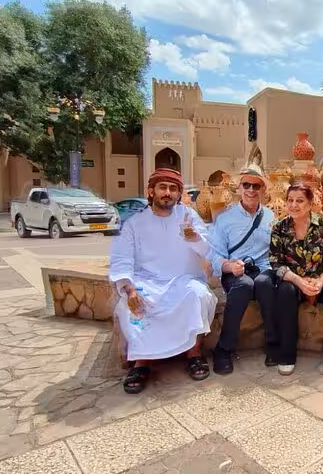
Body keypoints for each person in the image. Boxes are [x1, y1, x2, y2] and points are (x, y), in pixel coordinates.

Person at [110, 168, 216, 394]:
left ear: (179, 194)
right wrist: (129, 289)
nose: (168, 193)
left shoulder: (188, 216)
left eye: (173, 188)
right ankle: (141, 363)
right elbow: (121, 259)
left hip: (182, 281)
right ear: (151, 191)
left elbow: (208, 250)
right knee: (132, 305)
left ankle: (194, 354)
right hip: (146, 282)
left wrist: (193, 237)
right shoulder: (134, 224)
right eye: (163, 187)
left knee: (198, 295)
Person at [269, 183, 323, 377]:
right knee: (285, 292)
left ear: (311, 203)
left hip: (320, 280)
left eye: (300, 201)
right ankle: (286, 355)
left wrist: (321, 280)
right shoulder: (279, 228)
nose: (294, 205)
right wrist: (298, 281)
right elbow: (275, 263)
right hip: (294, 280)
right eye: (290, 200)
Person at [207, 165, 278, 375]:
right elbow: (214, 255)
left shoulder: (270, 217)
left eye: (256, 186)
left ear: (263, 190)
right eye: (246, 184)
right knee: (244, 286)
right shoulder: (224, 219)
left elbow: (276, 249)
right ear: (239, 187)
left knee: (266, 284)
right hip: (235, 271)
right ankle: (223, 349)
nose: (251, 190)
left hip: (262, 268)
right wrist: (229, 266)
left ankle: (273, 344)